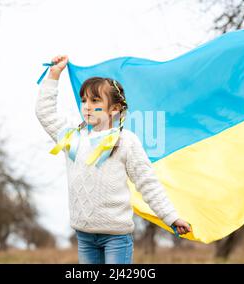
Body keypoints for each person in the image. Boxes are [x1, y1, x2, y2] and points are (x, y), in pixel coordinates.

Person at [35, 54, 192, 264]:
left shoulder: (126, 142)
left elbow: (148, 184)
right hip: (84, 235)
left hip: (116, 237)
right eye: (84, 100)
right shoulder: (73, 139)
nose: (87, 106)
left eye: (95, 100)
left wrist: (171, 217)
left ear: (115, 109)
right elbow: (44, 113)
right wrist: (54, 75)